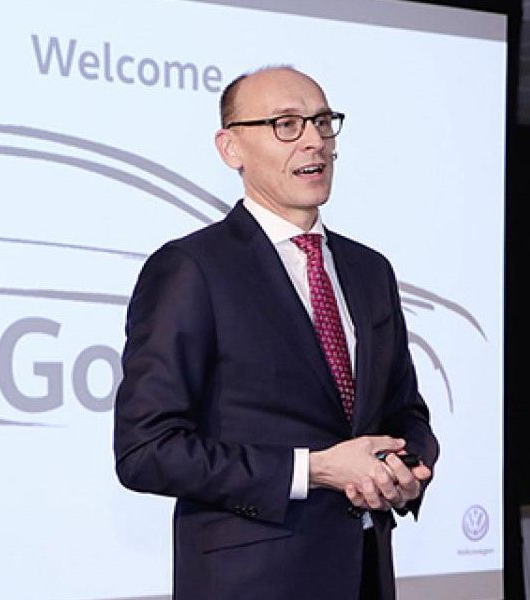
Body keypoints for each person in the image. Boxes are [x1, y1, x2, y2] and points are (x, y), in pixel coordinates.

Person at [113, 66, 439, 600]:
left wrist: (404, 468)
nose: (314, 141)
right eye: (286, 124)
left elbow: (404, 411)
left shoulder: (369, 269)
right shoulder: (192, 268)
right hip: (251, 582)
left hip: (363, 574)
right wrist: (315, 470)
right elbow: (146, 450)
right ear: (231, 148)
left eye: (322, 122)